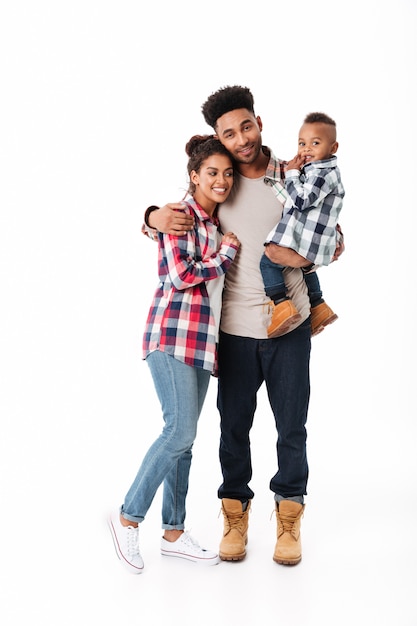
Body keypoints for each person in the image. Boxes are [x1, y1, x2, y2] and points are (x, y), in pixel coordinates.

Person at [145, 86, 344, 566]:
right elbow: (178, 218)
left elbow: (328, 226)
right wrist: (151, 216)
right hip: (232, 333)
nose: (241, 139)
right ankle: (235, 514)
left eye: (246, 126)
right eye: (228, 133)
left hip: (289, 326)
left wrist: (334, 240)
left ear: (260, 122)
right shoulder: (222, 183)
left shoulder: (291, 174)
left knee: (291, 427)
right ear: (218, 139)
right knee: (232, 429)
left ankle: (289, 518)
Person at [108, 134, 240, 574]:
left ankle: (174, 532)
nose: (220, 180)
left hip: (201, 343)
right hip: (171, 336)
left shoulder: (214, 221)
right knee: (178, 432)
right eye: (211, 173)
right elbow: (182, 275)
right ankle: (127, 516)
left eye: (226, 173)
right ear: (194, 176)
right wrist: (226, 253)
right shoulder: (181, 215)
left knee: (184, 440)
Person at [260, 112, 345, 338]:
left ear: (333, 147)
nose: (306, 149)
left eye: (315, 143)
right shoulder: (318, 171)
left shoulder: (321, 174)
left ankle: (281, 304)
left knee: (268, 260)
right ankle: (318, 304)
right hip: (313, 238)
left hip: (309, 238)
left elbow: (299, 201)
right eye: (302, 143)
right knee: (303, 268)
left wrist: (291, 174)